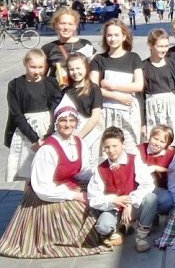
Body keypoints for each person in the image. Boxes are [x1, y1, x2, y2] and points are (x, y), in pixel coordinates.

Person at [0, 106, 110, 258]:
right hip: (46, 195)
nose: (68, 124)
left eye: (71, 120)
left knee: (98, 198)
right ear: (56, 124)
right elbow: (43, 188)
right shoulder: (47, 150)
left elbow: (83, 172)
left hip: (70, 184)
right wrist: (74, 195)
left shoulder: (79, 143)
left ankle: (109, 230)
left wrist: (102, 179)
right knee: (76, 212)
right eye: (63, 121)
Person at [88, 127, 158, 252]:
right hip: (114, 208)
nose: (111, 150)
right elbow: (93, 198)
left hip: (133, 206)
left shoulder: (134, 160)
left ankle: (141, 236)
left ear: (122, 144)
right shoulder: (100, 169)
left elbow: (147, 183)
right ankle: (122, 228)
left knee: (151, 198)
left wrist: (130, 201)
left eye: (115, 146)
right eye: (107, 147)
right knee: (103, 227)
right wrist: (114, 200)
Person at [5, 49, 61, 182]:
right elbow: (16, 114)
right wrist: (34, 138)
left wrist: (49, 135)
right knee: (29, 175)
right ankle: (28, 194)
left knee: (48, 171)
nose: (37, 71)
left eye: (40, 67)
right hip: (26, 132)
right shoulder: (15, 85)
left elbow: (56, 108)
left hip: (48, 130)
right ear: (25, 64)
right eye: (33, 67)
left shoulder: (51, 83)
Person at [90, 20, 144, 153]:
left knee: (130, 150)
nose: (112, 39)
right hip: (106, 112)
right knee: (108, 150)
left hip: (128, 112)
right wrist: (116, 96)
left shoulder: (134, 58)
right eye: (109, 35)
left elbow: (138, 85)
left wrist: (112, 85)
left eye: (116, 35)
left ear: (124, 36)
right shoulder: (99, 59)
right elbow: (92, 87)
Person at [142, 29, 175, 146]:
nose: (164, 49)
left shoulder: (172, 64)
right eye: (160, 46)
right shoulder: (144, 66)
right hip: (153, 108)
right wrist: (143, 123)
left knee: (172, 141)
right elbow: (141, 96)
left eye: (166, 46)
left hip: (171, 107)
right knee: (155, 142)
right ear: (151, 45)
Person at [61, 53, 103, 168]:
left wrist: (79, 137)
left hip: (89, 135)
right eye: (71, 69)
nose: (75, 72)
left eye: (78, 68)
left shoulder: (94, 89)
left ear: (86, 68)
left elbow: (95, 117)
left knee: (88, 167)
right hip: (70, 135)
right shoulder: (66, 91)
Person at [41, 7, 95, 87]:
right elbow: (41, 77)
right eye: (62, 23)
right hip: (57, 92)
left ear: (75, 26)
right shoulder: (48, 48)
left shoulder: (85, 44)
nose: (66, 27)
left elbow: (93, 71)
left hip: (81, 91)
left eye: (70, 24)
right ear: (56, 25)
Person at [137, 125, 175, 215]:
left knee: (167, 200)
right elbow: (137, 172)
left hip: (158, 189)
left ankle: (154, 214)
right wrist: (154, 168)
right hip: (139, 187)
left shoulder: (170, 156)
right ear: (150, 137)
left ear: (167, 144)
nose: (157, 143)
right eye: (155, 139)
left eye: (162, 142)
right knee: (147, 200)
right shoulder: (139, 150)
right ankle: (142, 213)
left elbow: (173, 182)